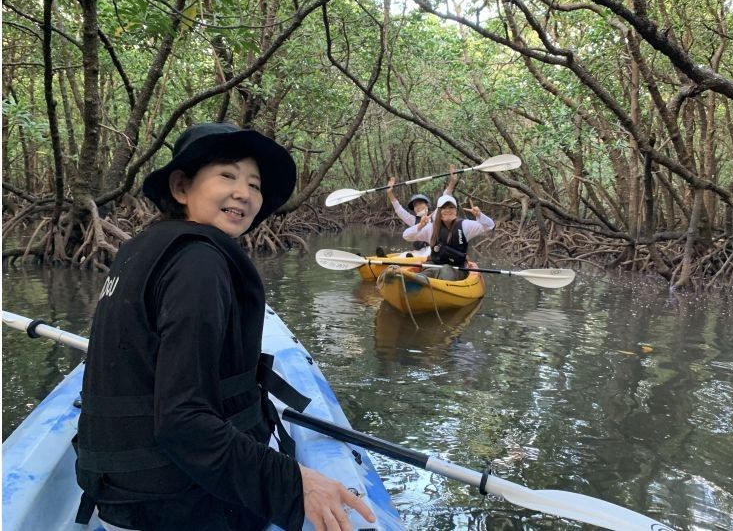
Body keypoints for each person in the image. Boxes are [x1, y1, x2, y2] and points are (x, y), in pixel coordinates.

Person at [74, 123, 375, 531]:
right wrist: (295, 483)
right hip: (173, 506)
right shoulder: (199, 265)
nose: (244, 193)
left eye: (254, 184)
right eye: (227, 176)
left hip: (118, 492)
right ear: (181, 187)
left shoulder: (140, 248)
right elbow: (182, 420)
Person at [402, 194, 494, 280]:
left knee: (446, 270)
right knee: (432, 272)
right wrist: (420, 226)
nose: (448, 210)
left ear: (456, 210)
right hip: (435, 266)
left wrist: (479, 215)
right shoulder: (431, 228)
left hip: (457, 269)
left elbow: (490, 226)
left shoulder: (465, 226)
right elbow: (406, 236)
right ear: (439, 211)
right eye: (444, 208)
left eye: (451, 207)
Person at [381, 165, 459, 257]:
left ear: (427, 205)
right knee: (405, 255)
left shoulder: (435, 215)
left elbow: (445, 196)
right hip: (418, 252)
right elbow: (399, 210)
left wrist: (452, 182)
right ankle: (387, 260)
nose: (417, 207)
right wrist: (390, 193)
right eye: (415, 206)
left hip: (434, 250)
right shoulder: (413, 220)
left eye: (420, 204)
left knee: (429, 252)